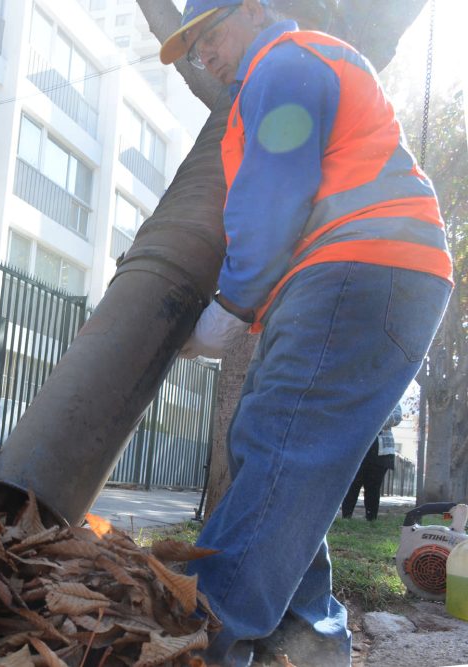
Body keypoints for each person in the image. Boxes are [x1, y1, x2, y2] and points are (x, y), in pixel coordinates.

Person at [161, 0, 452, 664]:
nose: (204, 53)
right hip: (368, 273)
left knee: (280, 444)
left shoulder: (284, 62)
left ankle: (201, 641)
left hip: (362, 267)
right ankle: (308, 643)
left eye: (210, 33)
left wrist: (229, 307)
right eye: (193, 46)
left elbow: (272, 196)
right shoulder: (288, 69)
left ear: (254, 9)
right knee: (272, 444)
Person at [342, 403, 402, 521]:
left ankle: (371, 519)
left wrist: (373, 417)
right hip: (356, 449)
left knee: (373, 487)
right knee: (352, 485)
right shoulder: (360, 395)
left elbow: (396, 417)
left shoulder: (392, 396)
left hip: (381, 451)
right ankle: (346, 518)